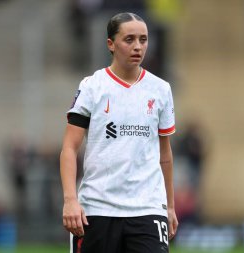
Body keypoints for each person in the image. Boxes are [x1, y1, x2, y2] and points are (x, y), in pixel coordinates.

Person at [60, 12, 178, 253]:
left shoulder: (161, 89)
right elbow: (69, 148)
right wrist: (70, 200)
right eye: (129, 39)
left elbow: (164, 154)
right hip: (97, 208)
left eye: (143, 40)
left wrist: (169, 206)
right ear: (111, 44)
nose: (138, 47)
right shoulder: (92, 87)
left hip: (147, 208)